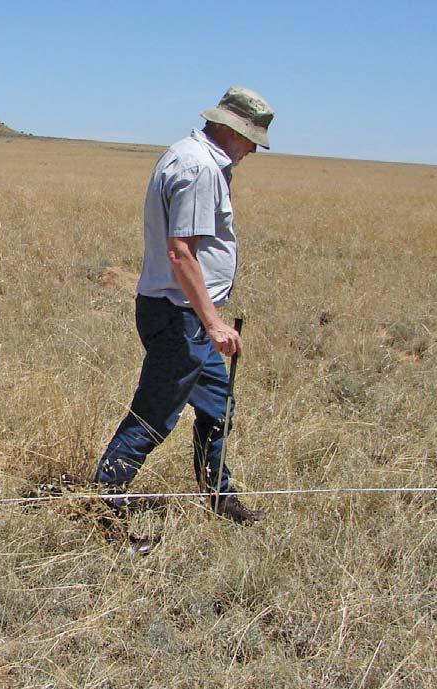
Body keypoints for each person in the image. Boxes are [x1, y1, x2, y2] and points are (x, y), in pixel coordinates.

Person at [94, 86, 273, 526]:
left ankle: (220, 498)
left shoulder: (191, 156)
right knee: (155, 415)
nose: (253, 148)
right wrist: (213, 324)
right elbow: (181, 252)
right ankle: (101, 504)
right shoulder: (199, 169)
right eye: (252, 138)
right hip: (181, 316)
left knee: (217, 406)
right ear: (232, 129)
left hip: (188, 314)